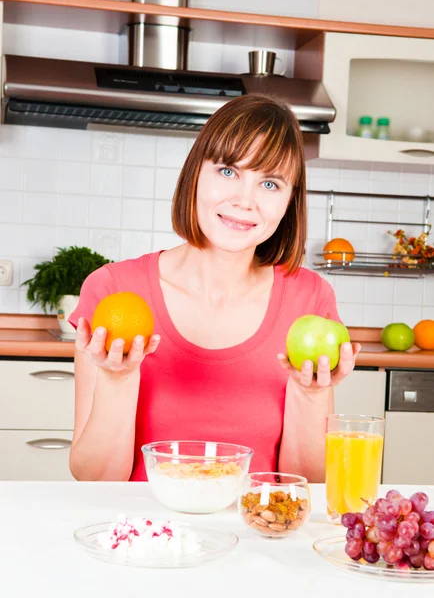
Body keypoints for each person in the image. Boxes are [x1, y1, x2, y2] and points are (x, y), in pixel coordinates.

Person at [68, 94, 360, 484]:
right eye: (228, 171)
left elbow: (306, 484)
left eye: (270, 183)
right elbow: (94, 479)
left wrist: (310, 395)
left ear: (290, 202)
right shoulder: (114, 290)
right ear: (195, 174)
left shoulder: (310, 301)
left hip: (260, 535)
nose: (244, 200)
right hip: (146, 537)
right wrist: (117, 381)